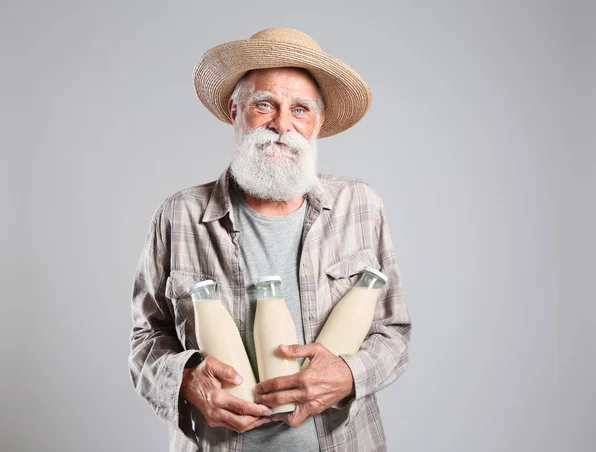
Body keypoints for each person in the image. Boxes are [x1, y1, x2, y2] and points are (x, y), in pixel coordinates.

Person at [129, 27, 411, 452]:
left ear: (317, 123)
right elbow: (146, 339)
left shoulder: (361, 206)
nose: (282, 124)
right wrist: (187, 382)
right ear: (234, 110)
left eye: (300, 110)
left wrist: (350, 374)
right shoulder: (179, 215)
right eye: (265, 105)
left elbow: (393, 332)